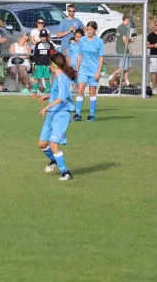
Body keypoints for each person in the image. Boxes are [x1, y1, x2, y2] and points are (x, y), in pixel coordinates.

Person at [37, 52, 77, 181]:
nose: (49, 67)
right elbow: (58, 93)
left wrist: (47, 107)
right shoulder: (58, 79)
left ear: (53, 65)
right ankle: (54, 160)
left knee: (54, 145)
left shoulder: (63, 78)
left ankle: (66, 173)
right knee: (42, 144)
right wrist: (48, 96)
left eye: (50, 64)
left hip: (61, 114)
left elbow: (63, 96)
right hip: (52, 114)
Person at [74, 21, 105, 122]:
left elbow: (101, 58)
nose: (89, 31)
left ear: (95, 30)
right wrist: (77, 69)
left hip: (94, 70)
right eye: (88, 29)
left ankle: (92, 115)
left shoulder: (99, 42)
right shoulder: (82, 40)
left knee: (92, 92)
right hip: (83, 69)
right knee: (80, 91)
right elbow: (80, 55)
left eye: (91, 29)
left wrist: (98, 71)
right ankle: (77, 115)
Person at [109, 14, 134, 86]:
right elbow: (124, 40)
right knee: (123, 67)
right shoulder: (124, 28)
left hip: (120, 49)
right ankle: (111, 76)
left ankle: (127, 81)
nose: (130, 22)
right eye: (129, 20)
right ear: (126, 19)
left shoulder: (119, 27)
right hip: (124, 50)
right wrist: (129, 48)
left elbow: (118, 39)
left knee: (127, 67)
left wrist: (129, 40)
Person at [32, 29, 53, 96]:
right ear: (40, 37)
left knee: (47, 78)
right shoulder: (37, 44)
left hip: (47, 64)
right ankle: (34, 93)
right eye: (42, 36)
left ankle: (48, 93)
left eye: (44, 36)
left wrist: (51, 64)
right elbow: (35, 55)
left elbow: (52, 55)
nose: (43, 38)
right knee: (36, 78)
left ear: (47, 36)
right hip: (39, 64)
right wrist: (34, 63)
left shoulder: (50, 44)